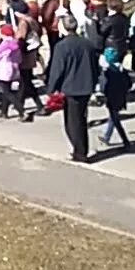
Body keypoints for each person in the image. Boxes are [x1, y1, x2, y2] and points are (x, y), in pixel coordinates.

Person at [47, 14, 100, 162]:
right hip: (86, 86)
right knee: (81, 119)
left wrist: (51, 88)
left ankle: (80, 152)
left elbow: (57, 69)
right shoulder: (87, 44)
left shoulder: (62, 46)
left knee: (73, 123)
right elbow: (95, 66)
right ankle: (80, 149)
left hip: (71, 88)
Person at [0, 24, 29, 121]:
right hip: (14, 69)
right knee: (6, 89)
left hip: (4, 69)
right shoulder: (16, 44)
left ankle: (21, 110)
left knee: (6, 91)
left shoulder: (4, 44)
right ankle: (4, 111)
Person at [99, 47, 131, 148]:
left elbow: (103, 87)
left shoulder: (107, 72)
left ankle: (125, 141)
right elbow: (129, 84)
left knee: (115, 119)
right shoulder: (123, 70)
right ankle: (107, 137)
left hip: (111, 98)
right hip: (121, 97)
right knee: (113, 117)